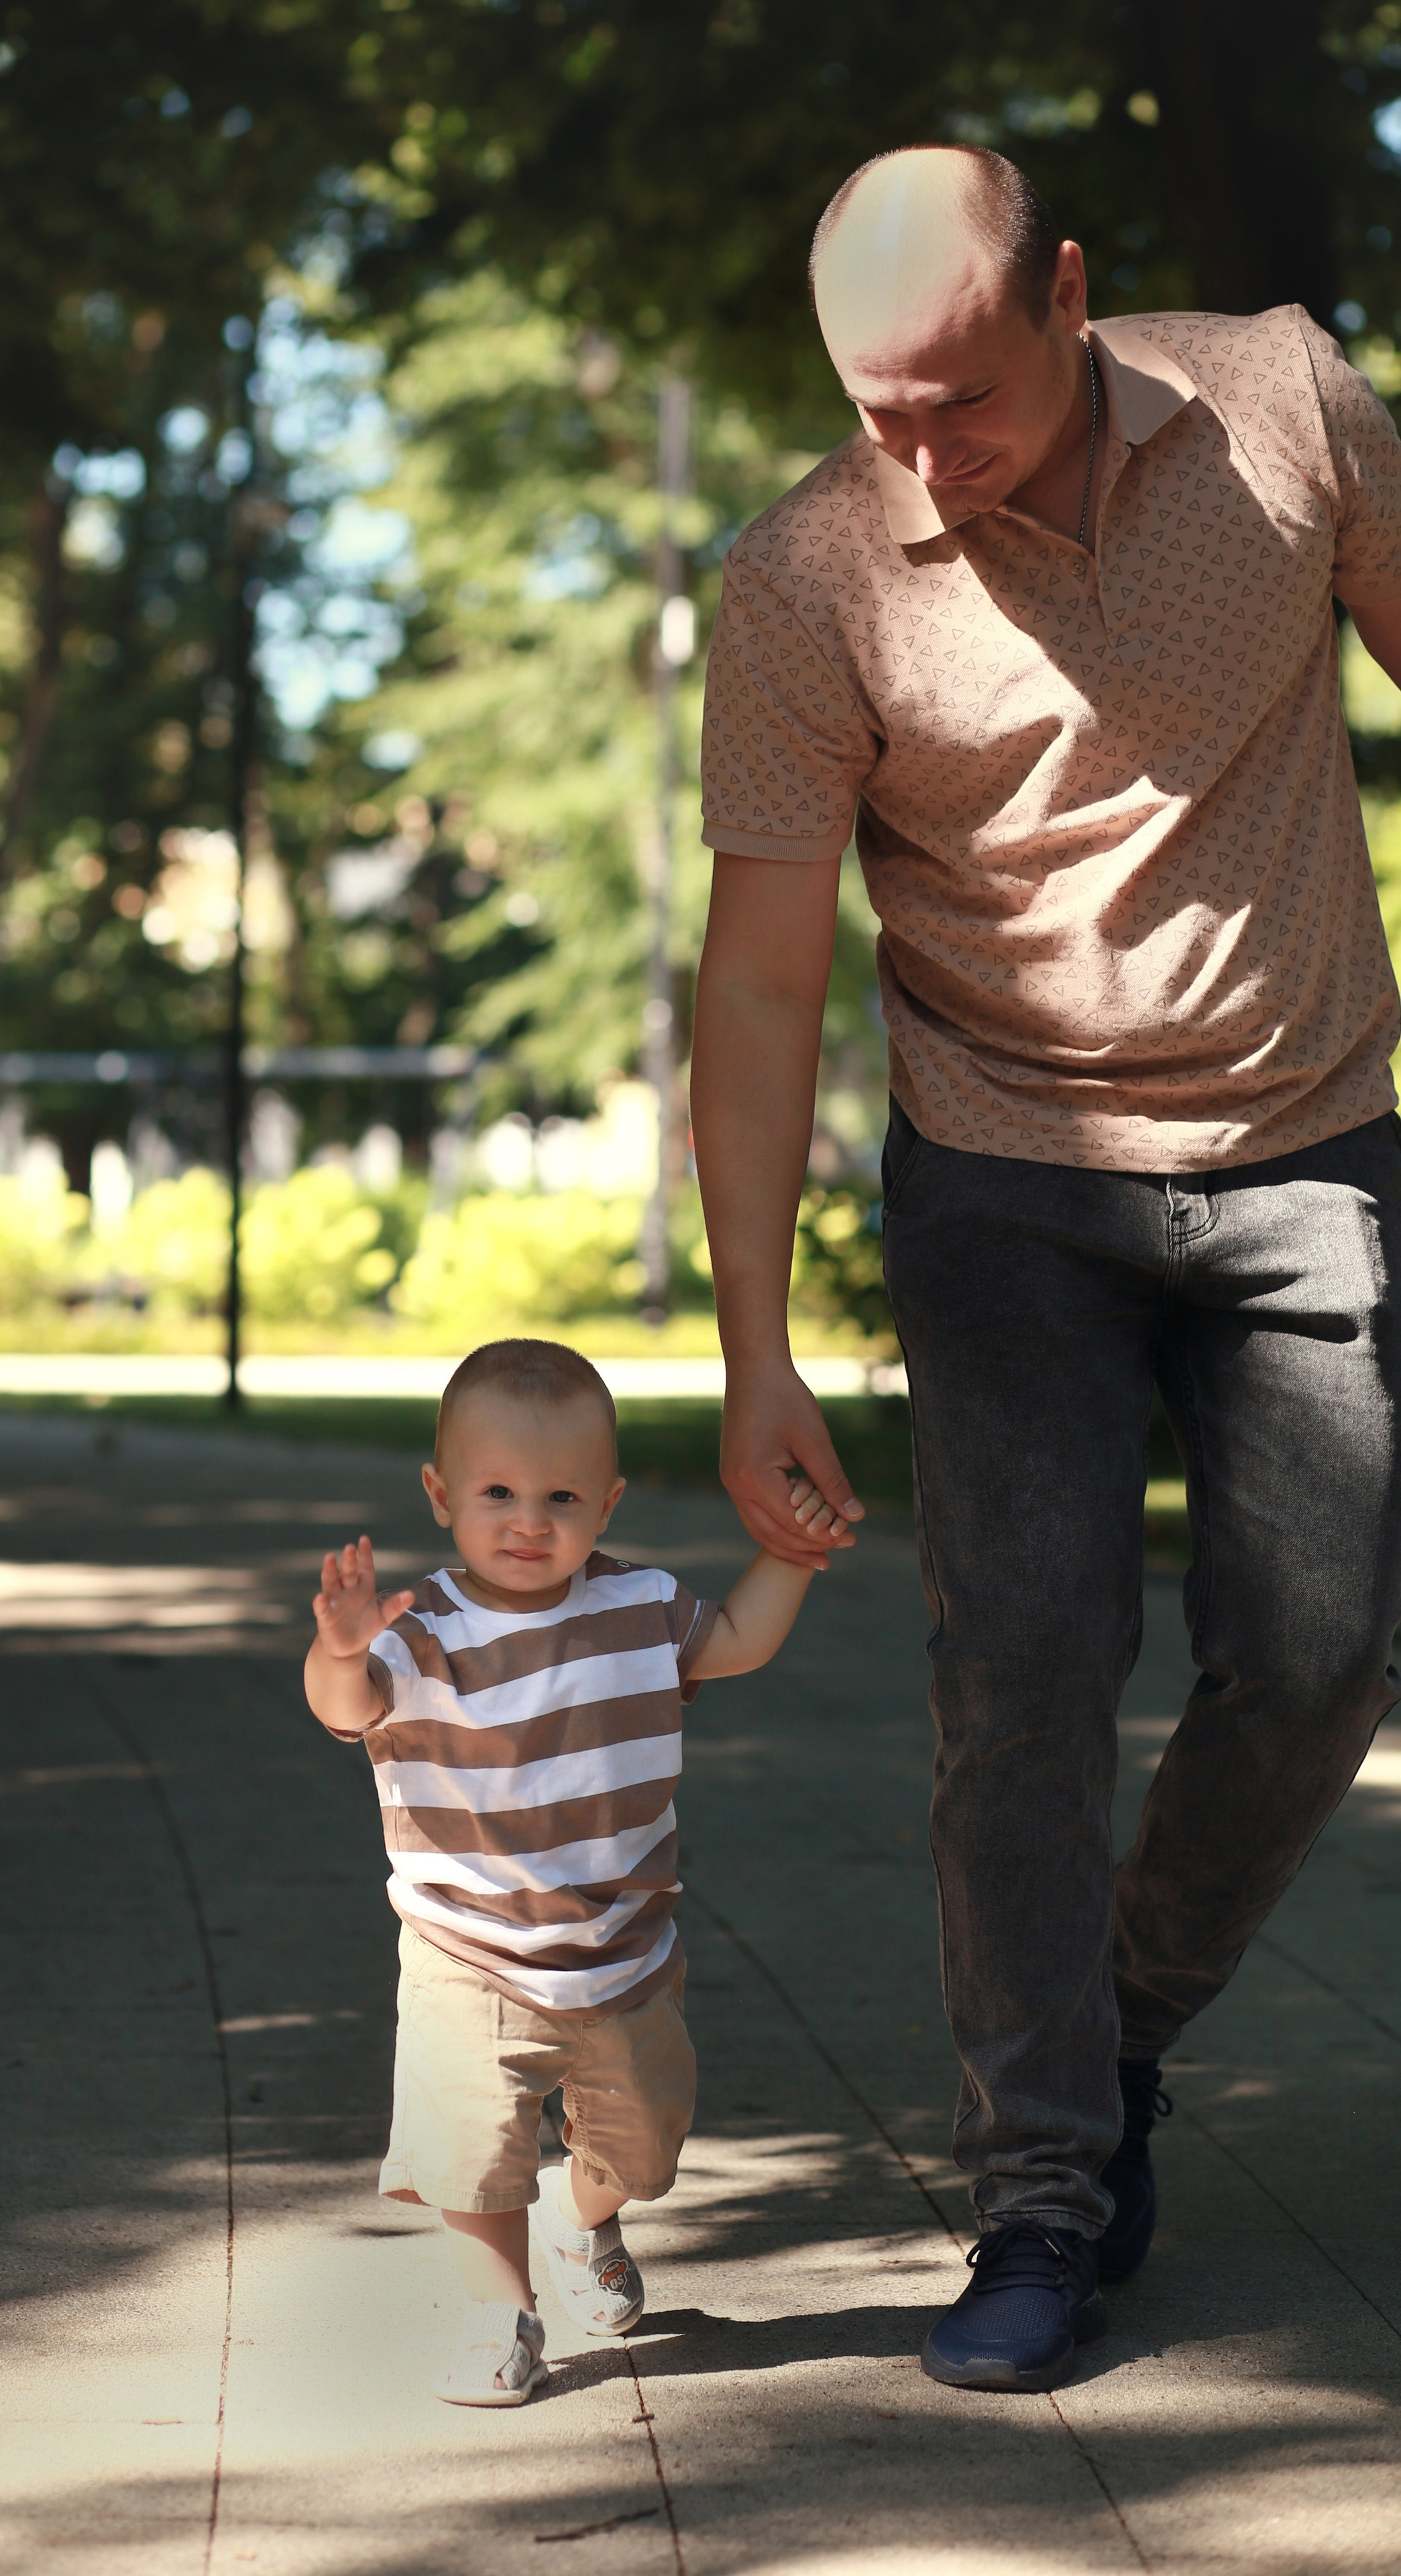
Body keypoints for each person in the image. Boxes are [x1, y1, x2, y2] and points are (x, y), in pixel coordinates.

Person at [691, 142, 1401, 2395]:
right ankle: (1041, 2189)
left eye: (962, 400)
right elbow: (762, 987)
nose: (920, 455)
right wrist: (750, 1349)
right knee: (1021, 1676)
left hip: (1313, 1138)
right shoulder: (806, 583)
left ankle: (1119, 2015)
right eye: (873, 409)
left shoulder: (1287, 411)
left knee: (1325, 1656)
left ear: (1071, 292)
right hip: (1005, 1179)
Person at [304, 1337, 836, 2404]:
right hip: (470, 1947)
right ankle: (500, 2312)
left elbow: (733, 1639)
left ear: (610, 1499)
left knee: (643, 2147)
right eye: (497, 1490)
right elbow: (347, 1709)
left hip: (624, 1948)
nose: (529, 1519)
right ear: (440, 1492)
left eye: (562, 1494)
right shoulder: (422, 1634)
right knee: (474, 2147)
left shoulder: (639, 1607)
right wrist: (341, 1647)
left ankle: (580, 2216)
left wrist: (794, 1555)